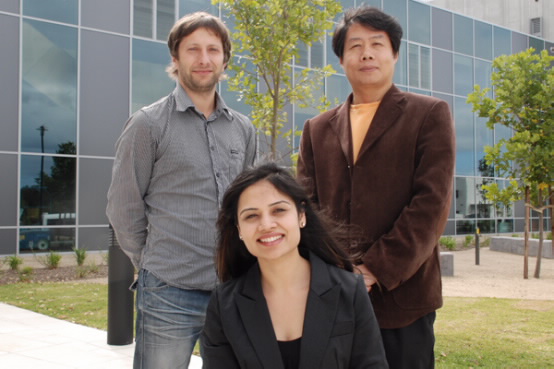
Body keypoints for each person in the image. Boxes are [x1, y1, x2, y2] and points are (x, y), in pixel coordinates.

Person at [297, 6, 455, 369]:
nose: (366, 53)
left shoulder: (428, 114)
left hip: (403, 298)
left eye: (376, 44)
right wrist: (336, 271)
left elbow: (431, 205)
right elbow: (308, 210)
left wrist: (373, 270)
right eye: (355, 46)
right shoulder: (317, 129)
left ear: (394, 53)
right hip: (333, 294)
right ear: (341, 59)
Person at [106, 12, 256, 369]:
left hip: (234, 288)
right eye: (193, 50)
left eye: (213, 50)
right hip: (169, 291)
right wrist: (152, 263)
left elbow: (249, 205)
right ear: (175, 58)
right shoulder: (148, 124)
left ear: (225, 59)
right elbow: (123, 208)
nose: (203, 59)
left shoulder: (244, 129)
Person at [201, 162, 388, 369]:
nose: (266, 225)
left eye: (279, 210)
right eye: (251, 216)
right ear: (239, 230)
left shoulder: (349, 290)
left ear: (301, 216)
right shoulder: (224, 305)